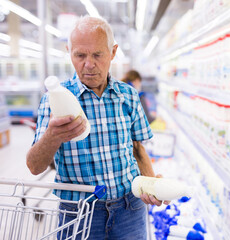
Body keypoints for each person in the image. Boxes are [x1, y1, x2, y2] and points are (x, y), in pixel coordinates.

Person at [26, 16, 166, 240]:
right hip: (79, 213)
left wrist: (151, 185)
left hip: (130, 209)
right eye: (80, 55)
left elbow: (137, 148)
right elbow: (34, 166)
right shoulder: (53, 100)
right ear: (69, 51)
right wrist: (52, 136)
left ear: (113, 52)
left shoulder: (128, 95)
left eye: (98, 55)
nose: (89, 64)